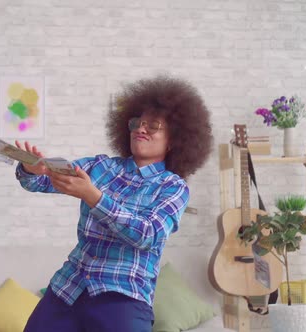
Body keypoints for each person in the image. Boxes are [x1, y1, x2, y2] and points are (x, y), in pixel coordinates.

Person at [14, 75, 213, 332]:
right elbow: (39, 183)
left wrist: (93, 197)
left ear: (174, 139)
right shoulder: (100, 167)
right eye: (136, 123)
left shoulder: (173, 187)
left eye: (152, 126)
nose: (141, 129)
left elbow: (147, 234)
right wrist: (32, 170)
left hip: (123, 296)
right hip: (68, 289)